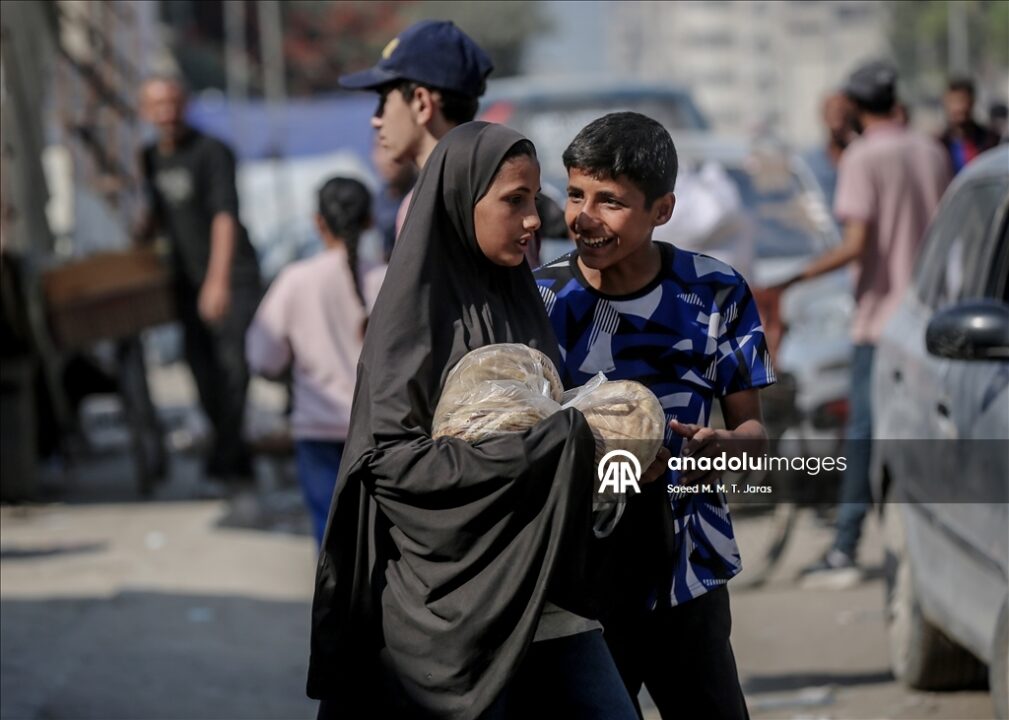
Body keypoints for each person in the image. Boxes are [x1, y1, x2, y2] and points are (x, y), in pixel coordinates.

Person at [308, 122, 638, 719]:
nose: (533, 219)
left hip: (543, 588)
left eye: (535, 199)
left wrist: (611, 449)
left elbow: (543, 418)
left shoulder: (520, 298)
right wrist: (546, 447)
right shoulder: (414, 315)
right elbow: (388, 463)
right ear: (463, 201)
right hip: (452, 612)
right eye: (514, 201)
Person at [535, 111, 772, 720]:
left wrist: (724, 447)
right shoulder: (539, 300)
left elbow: (754, 434)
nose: (584, 217)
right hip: (576, 578)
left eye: (610, 201)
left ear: (662, 210)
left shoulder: (716, 292)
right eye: (576, 194)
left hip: (687, 570)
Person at [773, 61, 950, 585]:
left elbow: (855, 244)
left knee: (864, 434)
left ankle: (845, 547)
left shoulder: (863, 157)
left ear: (854, 105)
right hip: (931, 320)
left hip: (881, 324)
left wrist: (793, 279)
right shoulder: (930, 150)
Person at [135, 76, 262, 483]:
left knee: (232, 370)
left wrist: (217, 281)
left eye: (173, 103)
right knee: (200, 370)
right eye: (157, 105)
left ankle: (230, 460)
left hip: (230, 276)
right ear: (145, 111)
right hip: (185, 281)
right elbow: (158, 214)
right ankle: (228, 452)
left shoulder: (212, 151)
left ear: (185, 104)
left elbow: (225, 216)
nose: (166, 113)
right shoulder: (149, 157)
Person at [245, 178, 383, 547]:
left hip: (317, 431)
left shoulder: (296, 280)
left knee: (331, 539)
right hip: (380, 432)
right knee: (381, 540)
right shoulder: (388, 278)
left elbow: (263, 357)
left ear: (318, 222)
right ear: (370, 220)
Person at [338, 19, 493, 238]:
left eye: (384, 101)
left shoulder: (430, 208)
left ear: (421, 104)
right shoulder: (501, 192)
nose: (376, 119)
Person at [803, 92, 858, 211]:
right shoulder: (810, 161)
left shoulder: (860, 155)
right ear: (824, 117)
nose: (838, 118)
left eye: (841, 112)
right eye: (833, 112)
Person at [940, 76, 1000, 174]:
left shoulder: (990, 140)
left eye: (962, 100)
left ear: (972, 102)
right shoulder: (940, 145)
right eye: (952, 101)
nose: (958, 108)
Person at [371, 138, 416, 260]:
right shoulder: (376, 202)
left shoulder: (423, 193)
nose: (387, 159)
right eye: (380, 147)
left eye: (392, 146)